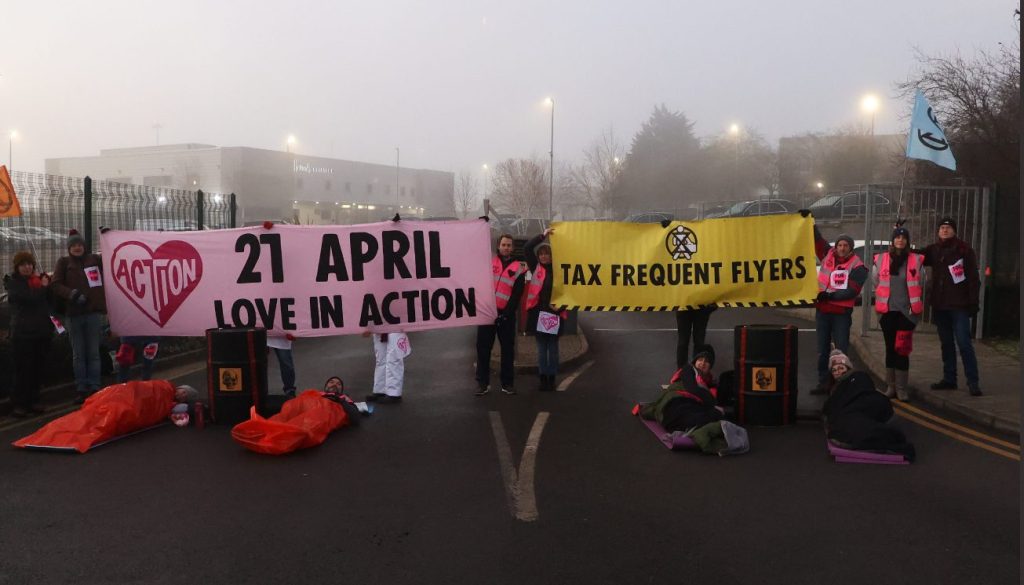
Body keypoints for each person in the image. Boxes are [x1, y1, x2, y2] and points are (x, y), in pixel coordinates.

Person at [922, 217, 982, 396]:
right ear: (938, 231)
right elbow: (913, 255)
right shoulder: (933, 250)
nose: (945, 230)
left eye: (948, 227)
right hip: (940, 305)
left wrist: (973, 302)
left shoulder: (964, 250)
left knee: (964, 343)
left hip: (959, 305)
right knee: (946, 344)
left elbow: (973, 278)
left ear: (954, 231)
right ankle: (950, 379)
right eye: (942, 227)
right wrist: (899, 232)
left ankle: (973, 381)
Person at [822, 350, 915, 460]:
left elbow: (865, 388)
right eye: (834, 370)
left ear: (848, 368)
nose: (838, 372)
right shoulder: (836, 388)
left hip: (867, 401)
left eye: (841, 368)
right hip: (853, 407)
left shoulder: (857, 375)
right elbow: (835, 403)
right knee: (853, 421)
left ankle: (880, 433)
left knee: (856, 417)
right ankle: (881, 434)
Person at [50, 229, 107, 404]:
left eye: (79, 245)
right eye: (73, 245)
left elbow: (112, 256)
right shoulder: (63, 262)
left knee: (93, 353)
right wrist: (72, 294)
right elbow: (55, 284)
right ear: (69, 248)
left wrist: (107, 236)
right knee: (79, 354)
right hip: (73, 315)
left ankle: (95, 386)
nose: (77, 248)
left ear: (84, 246)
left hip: (92, 314)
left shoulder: (95, 260)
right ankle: (82, 388)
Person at [811, 227, 868, 394]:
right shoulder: (827, 254)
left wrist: (829, 296)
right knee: (822, 350)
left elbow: (852, 291)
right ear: (835, 247)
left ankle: (841, 385)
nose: (842, 248)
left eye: (845, 245)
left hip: (841, 313)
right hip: (823, 311)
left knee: (841, 351)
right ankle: (824, 383)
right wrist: (810, 222)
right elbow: (817, 240)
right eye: (839, 245)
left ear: (850, 248)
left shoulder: (858, 267)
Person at [871, 224, 924, 401]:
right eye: (897, 237)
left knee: (902, 349)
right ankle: (891, 387)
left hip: (906, 314)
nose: (900, 240)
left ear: (907, 241)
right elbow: (876, 281)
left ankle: (902, 389)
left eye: (903, 238)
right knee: (889, 349)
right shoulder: (881, 259)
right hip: (887, 312)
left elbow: (921, 283)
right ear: (892, 241)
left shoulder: (915, 260)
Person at [475, 233, 526, 396]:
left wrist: (507, 313)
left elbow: (517, 295)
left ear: (513, 248)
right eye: (503, 245)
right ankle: (483, 384)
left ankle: (507, 384)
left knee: (508, 350)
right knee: (483, 349)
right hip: (488, 313)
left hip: (506, 316)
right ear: (498, 246)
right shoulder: (489, 263)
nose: (506, 248)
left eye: (509, 245)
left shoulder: (519, 268)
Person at [4, 251, 53, 417]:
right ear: (17, 267)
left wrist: (47, 284)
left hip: (40, 332)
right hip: (23, 334)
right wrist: (43, 287)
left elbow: (46, 302)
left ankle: (34, 400)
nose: (27, 267)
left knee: (37, 369)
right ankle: (20, 404)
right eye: (23, 264)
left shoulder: (36, 281)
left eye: (29, 264)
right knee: (22, 370)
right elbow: (29, 299)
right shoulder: (13, 283)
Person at [641, 344, 723, 433]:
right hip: (675, 402)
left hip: (691, 406)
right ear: (695, 361)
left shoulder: (710, 383)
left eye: (706, 362)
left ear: (710, 366)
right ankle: (690, 426)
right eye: (700, 360)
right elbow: (692, 389)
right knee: (691, 414)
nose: (702, 363)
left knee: (716, 414)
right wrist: (712, 403)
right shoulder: (688, 369)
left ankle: (691, 426)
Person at [524, 228, 566, 392]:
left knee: (553, 349)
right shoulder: (536, 268)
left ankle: (552, 377)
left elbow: (568, 292)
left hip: (555, 315)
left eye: (546, 253)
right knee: (542, 350)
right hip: (539, 315)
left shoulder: (560, 270)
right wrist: (543, 235)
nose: (543, 256)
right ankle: (543, 378)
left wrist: (560, 307)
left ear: (551, 255)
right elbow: (528, 248)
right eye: (541, 254)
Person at [365, 331, 410, 404]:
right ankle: (380, 390)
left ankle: (394, 393)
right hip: (379, 325)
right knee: (381, 359)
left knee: (394, 359)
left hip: (395, 324)